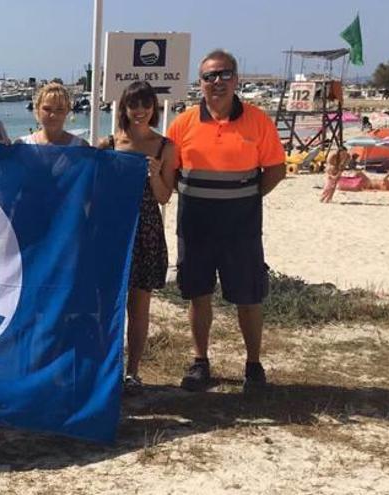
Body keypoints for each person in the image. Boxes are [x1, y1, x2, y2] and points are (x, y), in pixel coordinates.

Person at [166, 49, 285, 393]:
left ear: (236, 79)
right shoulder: (183, 123)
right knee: (198, 294)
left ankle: (253, 366)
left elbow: (276, 169)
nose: (217, 82)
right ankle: (200, 361)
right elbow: (170, 171)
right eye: (209, 76)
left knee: (249, 298)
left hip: (241, 227)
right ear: (200, 83)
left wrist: (245, 196)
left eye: (224, 74)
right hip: (195, 226)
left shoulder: (258, 120)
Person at [97, 82, 177, 395]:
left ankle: (134, 371)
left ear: (154, 108)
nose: (140, 110)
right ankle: (108, 367)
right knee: (108, 305)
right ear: (124, 109)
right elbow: (94, 190)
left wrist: (156, 174)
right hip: (113, 229)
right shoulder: (109, 144)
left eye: (146, 104)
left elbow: (164, 196)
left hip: (146, 230)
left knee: (139, 305)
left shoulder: (165, 147)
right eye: (134, 104)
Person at [15, 83, 87, 146]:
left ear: (67, 111)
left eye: (59, 109)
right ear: (37, 109)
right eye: (47, 109)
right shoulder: (22, 145)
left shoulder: (80, 146)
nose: (53, 115)